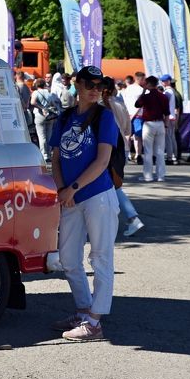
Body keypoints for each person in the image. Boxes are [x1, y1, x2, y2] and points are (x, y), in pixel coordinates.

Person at [47, 65, 120, 342]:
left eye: (99, 86)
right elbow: (55, 158)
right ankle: (83, 309)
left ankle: (95, 321)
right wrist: (61, 189)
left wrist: (73, 188)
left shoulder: (104, 117)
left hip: (97, 195)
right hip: (71, 196)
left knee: (100, 257)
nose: (94, 90)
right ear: (76, 85)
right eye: (89, 85)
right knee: (68, 258)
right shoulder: (65, 117)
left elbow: (102, 161)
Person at [101, 77, 144, 237]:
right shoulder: (119, 104)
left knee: (111, 185)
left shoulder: (101, 107)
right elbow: (127, 129)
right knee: (112, 184)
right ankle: (129, 217)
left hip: (109, 148)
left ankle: (131, 217)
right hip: (122, 147)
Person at [135, 75, 169, 182]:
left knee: (148, 151)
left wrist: (143, 91)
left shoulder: (145, 97)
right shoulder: (163, 96)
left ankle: (148, 176)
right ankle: (160, 176)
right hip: (160, 124)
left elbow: (137, 105)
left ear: (149, 84)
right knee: (160, 151)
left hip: (148, 124)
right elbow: (167, 113)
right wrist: (166, 126)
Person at [30, 78, 58, 162]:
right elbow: (54, 103)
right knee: (49, 135)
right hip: (50, 116)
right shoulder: (48, 93)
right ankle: (49, 154)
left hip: (40, 115)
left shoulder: (36, 92)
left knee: (41, 136)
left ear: (36, 85)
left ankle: (44, 155)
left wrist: (41, 107)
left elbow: (32, 102)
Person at [160, 75, 179, 164]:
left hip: (168, 117)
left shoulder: (167, 92)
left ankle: (170, 157)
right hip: (172, 117)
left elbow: (163, 105)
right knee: (171, 137)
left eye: (163, 81)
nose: (162, 83)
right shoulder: (172, 91)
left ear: (167, 81)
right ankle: (174, 156)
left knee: (168, 138)